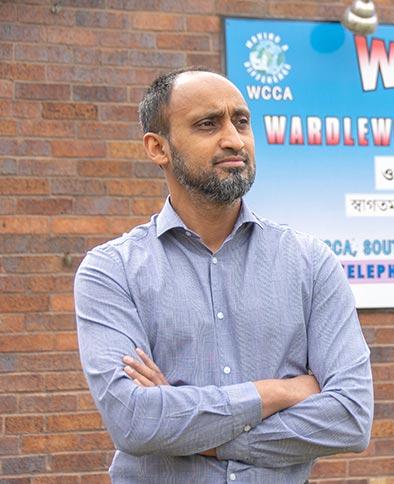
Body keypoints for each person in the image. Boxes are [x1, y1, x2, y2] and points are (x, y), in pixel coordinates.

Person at [74, 67, 374, 483]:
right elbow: (134, 422)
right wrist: (279, 392)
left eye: (242, 121)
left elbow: (350, 417)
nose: (234, 139)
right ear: (158, 148)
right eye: (207, 124)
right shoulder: (112, 272)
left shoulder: (309, 262)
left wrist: (194, 429)